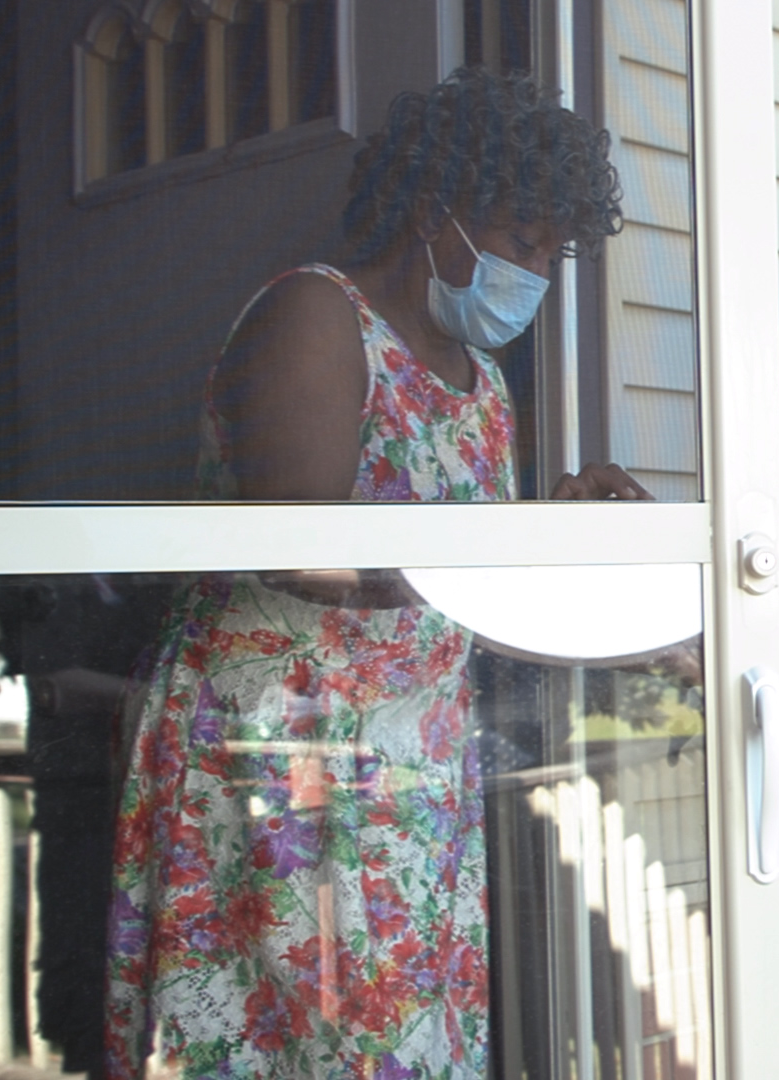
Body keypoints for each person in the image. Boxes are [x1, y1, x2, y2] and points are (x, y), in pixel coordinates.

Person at [106, 68, 634, 1079]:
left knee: (390, 1037)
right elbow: (305, 548)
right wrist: (488, 551)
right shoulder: (317, 314)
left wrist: (547, 542)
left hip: (411, 770)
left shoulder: (483, 390)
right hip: (279, 756)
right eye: (524, 241)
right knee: (290, 1036)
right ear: (438, 210)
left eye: (552, 252)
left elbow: (457, 584)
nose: (537, 271)